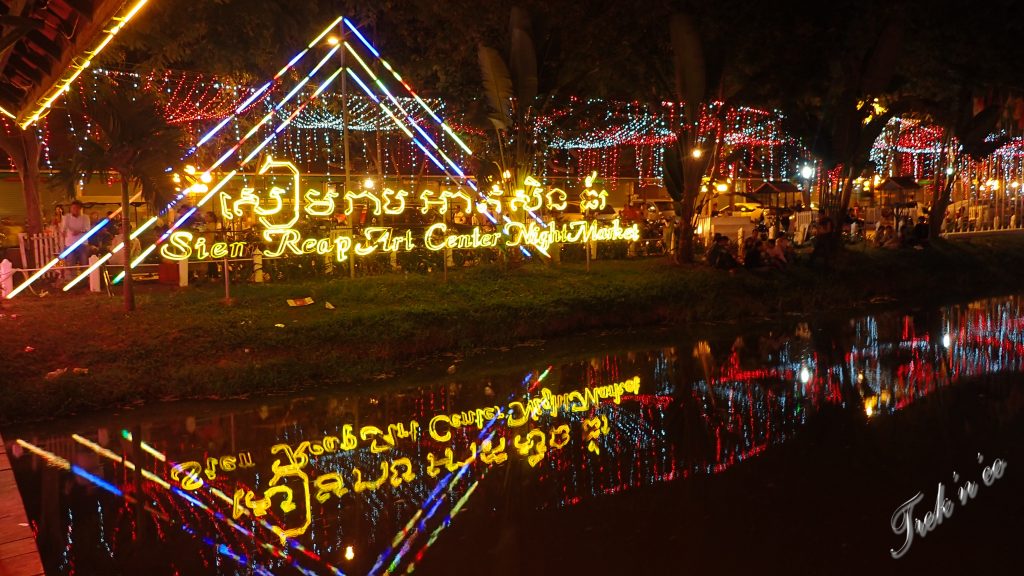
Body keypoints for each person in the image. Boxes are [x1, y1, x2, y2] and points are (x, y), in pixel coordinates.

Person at [60, 200, 91, 272]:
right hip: (70, 244)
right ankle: (71, 279)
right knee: (70, 263)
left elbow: (87, 229)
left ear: (80, 209)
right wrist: (63, 232)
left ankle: (85, 279)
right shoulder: (66, 217)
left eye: (76, 208)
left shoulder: (85, 217)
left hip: (82, 243)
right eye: (73, 208)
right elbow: (63, 229)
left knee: (84, 263)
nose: (74, 210)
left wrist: (79, 231)